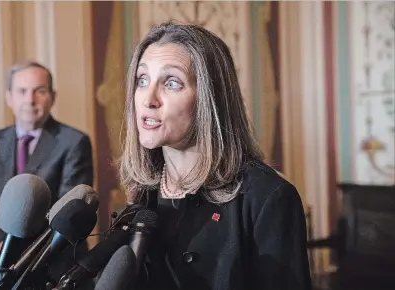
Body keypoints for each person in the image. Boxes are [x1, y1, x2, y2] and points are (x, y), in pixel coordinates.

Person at [118, 22, 312, 290]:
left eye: (171, 83)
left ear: (210, 99)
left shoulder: (267, 197)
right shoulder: (141, 196)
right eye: (142, 80)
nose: (148, 99)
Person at [0, 61, 94, 287]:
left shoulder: (74, 142)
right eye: (22, 91)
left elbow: (66, 214)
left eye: (39, 91)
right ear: (9, 98)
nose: (29, 100)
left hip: (52, 264)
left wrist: (10, 251)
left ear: (52, 96)